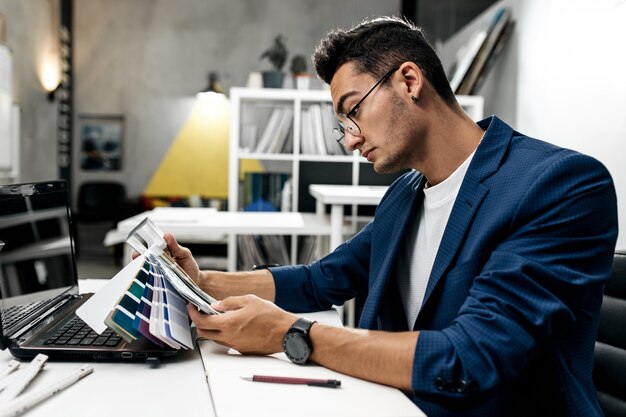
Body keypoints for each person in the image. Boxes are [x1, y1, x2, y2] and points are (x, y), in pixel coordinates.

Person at [163, 16, 618, 417]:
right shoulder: (405, 194)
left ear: (409, 80)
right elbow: (323, 278)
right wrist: (203, 284)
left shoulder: (560, 184)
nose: (350, 140)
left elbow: (470, 357)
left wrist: (290, 333)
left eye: (353, 110)